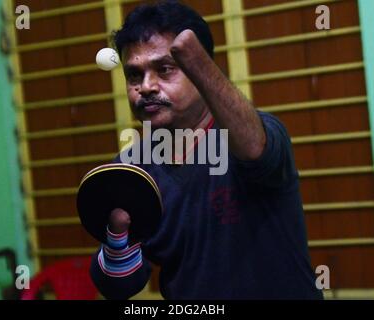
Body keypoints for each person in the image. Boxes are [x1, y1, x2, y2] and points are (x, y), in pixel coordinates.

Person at [89, 0, 323, 300]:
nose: (146, 86)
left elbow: (254, 150)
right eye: (134, 75)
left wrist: (197, 61)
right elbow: (120, 286)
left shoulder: (258, 131)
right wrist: (116, 235)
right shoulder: (131, 170)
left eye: (164, 69)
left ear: (198, 70)